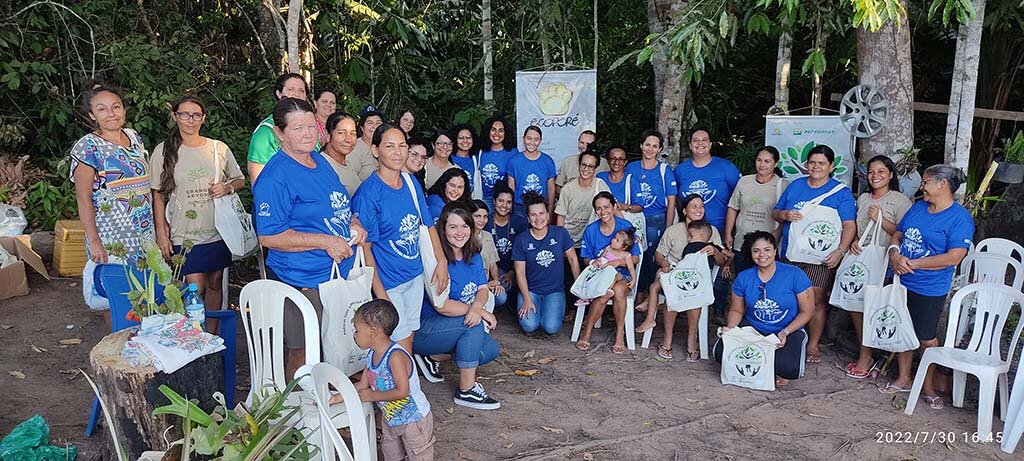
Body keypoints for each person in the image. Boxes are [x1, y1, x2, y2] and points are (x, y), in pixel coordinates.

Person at [253, 98, 366, 380]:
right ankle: (299, 414)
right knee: (303, 351)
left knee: (336, 343)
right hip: (302, 279)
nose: (307, 134)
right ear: (280, 133)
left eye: (310, 127)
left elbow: (336, 202)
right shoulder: (275, 177)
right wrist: (326, 241)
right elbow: (268, 236)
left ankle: (328, 404)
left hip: (335, 275)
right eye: (297, 128)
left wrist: (353, 222)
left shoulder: (319, 161)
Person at [878, 165, 973, 411]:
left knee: (926, 338)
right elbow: (899, 234)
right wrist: (895, 254)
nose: (922, 187)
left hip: (929, 287)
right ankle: (904, 378)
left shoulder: (959, 218)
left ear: (942, 184)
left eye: (926, 182)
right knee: (902, 329)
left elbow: (954, 257)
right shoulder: (918, 207)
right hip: (900, 279)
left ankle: (928, 385)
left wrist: (915, 263)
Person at [150, 95, 245, 332]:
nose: (190, 120)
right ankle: (193, 334)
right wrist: (162, 233)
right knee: (195, 286)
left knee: (215, 284)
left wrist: (227, 187)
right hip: (184, 233)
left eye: (195, 115)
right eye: (184, 114)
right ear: (175, 116)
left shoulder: (217, 148)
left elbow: (240, 179)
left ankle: (211, 335)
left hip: (217, 229)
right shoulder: (164, 151)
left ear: (203, 118)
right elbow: (158, 195)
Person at [353, 123, 449, 352]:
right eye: (389, 146)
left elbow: (427, 225)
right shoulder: (369, 194)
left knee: (408, 337)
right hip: (389, 282)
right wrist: (381, 295)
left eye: (402, 146)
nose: (397, 152)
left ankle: (401, 384)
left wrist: (442, 261)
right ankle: (405, 387)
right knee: (399, 342)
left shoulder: (410, 182)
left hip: (414, 275)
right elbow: (366, 249)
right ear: (375, 151)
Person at [70, 81, 155, 327]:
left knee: (145, 288)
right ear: (91, 115)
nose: (111, 114)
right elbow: (83, 198)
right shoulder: (87, 147)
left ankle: (142, 350)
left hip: (142, 230)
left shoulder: (134, 137)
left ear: (124, 110)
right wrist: (94, 241)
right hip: (111, 235)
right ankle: (119, 350)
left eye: (116, 107)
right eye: (102, 109)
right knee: (116, 295)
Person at [772, 144, 856, 364]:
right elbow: (776, 213)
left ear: (831, 166)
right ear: (806, 164)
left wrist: (840, 251)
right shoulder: (796, 186)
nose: (816, 167)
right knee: (787, 297)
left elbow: (849, 225)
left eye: (821, 163)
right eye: (812, 163)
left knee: (816, 300)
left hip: (821, 258)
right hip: (791, 253)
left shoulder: (841, 193)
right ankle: (787, 338)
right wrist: (785, 214)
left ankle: (812, 344)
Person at [412, 204, 501, 410]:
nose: (459, 232)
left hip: (454, 325)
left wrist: (478, 306)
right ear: (443, 230)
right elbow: (442, 306)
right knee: (474, 325)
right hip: (427, 328)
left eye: (464, 226)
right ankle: (466, 390)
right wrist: (479, 312)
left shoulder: (474, 254)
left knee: (489, 350)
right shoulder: (438, 260)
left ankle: (432, 357)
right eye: (453, 227)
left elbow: (482, 288)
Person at [714, 231, 815, 387]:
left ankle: (771, 365)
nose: (762, 255)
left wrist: (785, 332)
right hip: (754, 329)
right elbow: (736, 310)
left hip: (787, 330)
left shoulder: (795, 274)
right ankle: (765, 366)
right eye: (756, 250)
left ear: (775, 251)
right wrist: (732, 329)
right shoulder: (744, 278)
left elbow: (807, 311)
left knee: (790, 369)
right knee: (721, 352)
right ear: (751, 253)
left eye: (767, 249)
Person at [844, 154, 911, 379]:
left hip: (884, 263)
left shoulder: (900, 200)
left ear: (891, 174)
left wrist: (882, 218)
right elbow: (858, 228)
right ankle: (866, 352)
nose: (875, 176)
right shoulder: (863, 198)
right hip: (861, 261)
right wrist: (853, 242)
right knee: (855, 305)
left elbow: (905, 235)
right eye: (872, 172)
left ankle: (869, 355)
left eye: (881, 171)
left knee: (876, 309)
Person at [344, 299, 435, 460]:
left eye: (357, 330)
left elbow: (402, 391)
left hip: (414, 420)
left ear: (373, 331)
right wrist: (334, 398)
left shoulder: (396, 357)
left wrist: (371, 396)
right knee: (391, 455)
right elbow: (362, 385)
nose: (354, 335)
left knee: (419, 456)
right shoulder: (372, 354)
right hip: (391, 419)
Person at [644, 195, 728, 361]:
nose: (699, 209)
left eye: (701, 206)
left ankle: (692, 340)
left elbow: (722, 260)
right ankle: (667, 340)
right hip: (673, 273)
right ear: (684, 210)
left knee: (694, 295)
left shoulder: (710, 231)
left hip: (698, 279)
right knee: (671, 293)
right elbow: (659, 255)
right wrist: (664, 264)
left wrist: (715, 252)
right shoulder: (674, 230)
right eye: (694, 206)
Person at [576, 192, 641, 353]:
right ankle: (587, 331)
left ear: (613, 207)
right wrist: (594, 262)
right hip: (600, 275)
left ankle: (620, 333)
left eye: (606, 207)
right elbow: (585, 258)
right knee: (605, 290)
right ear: (595, 211)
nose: (603, 211)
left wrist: (617, 262)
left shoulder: (624, 227)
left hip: (623, 276)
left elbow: (635, 258)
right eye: (598, 208)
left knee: (618, 289)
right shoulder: (591, 231)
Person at [513, 192, 581, 335]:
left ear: (548, 215)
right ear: (528, 218)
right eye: (533, 215)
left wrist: (579, 287)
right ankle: (529, 306)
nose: (538, 218)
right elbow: (519, 272)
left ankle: (551, 308)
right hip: (531, 290)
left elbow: (573, 259)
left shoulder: (560, 233)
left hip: (554, 290)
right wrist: (526, 299)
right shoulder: (521, 240)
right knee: (529, 326)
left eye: (542, 213)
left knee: (551, 328)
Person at [625, 130, 677, 309]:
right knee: (635, 255)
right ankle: (636, 295)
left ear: (660, 149)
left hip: (656, 219)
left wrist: (668, 228)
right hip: (634, 218)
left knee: (653, 258)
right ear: (641, 145)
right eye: (647, 144)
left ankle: (652, 297)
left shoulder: (664, 170)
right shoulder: (631, 168)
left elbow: (671, 202)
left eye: (655, 146)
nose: (650, 149)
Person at [724, 146, 787, 275]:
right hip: (742, 242)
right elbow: (733, 207)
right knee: (743, 281)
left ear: (776, 163)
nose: (762, 165)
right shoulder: (744, 181)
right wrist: (728, 233)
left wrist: (776, 238)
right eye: (759, 160)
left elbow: (784, 217)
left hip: (767, 246)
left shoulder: (782, 185)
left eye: (767, 161)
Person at [673, 128, 740, 233]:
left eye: (704, 140)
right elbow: (676, 200)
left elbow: (738, 198)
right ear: (690, 145)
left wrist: (730, 231)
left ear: (710, 144)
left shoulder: (727, 168)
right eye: (696, 140)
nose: (700, 143)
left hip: (720, 231)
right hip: (690, 231)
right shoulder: (680, 170)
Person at [247, 73, 308, 183]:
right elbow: (258, 178)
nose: (297, 94)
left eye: (301, 91)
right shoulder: (266, 131)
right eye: (291, 89)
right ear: (279, 93)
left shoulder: (310, 129)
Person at [555, 149, 610, 245]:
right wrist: (562, 243)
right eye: (583, 165)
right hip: (570, 240)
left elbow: (612, 211)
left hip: (593, 240)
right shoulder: (567, 189)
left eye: (590, 166)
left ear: (595, 169)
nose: (586, 169)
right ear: (579, 165)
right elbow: (561, 218)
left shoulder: (600, 185)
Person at [507, 126, 557, 225]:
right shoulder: (514, 161)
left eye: (536, 139)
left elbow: (551, 189)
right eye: (529, 138)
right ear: (523, 138)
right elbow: (511, 188)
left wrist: (550, 212)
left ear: (540, 141)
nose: (532, 142)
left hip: (540, 208)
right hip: (520, 208)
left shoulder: (547, 161)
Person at [577, 229, 637, 307]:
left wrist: (634, 279)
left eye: (617, 240)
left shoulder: (626, 255)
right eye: (614, 237)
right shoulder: (608, 248)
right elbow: (602, 257)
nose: (613, 240)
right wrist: (599, 261)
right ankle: (586, 295)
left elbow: (631, 268)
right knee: (593, 276)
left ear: (624, 247)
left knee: (614, 276)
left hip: (619, 274)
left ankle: (607, 290)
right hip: (605, 271)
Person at [483, 182, 520, 308]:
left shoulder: (519, 222)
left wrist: (512, 272)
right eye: (501, 201)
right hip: (493, 268)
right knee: (500, 296)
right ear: (494, 201)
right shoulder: (486, 221)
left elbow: (525, 251)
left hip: (514, 268)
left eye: (508, 202)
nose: (504, 205)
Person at [469, 199, 507, 308]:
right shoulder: (463, 237)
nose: (482, 220)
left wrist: (495, 281)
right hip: (472, 284)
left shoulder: (487, 236)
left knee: (501, 296)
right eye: (477, 216)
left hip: (485, 282)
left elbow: (492, 264)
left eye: (485, 216)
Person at [478, 116, 517, 212]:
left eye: (501, 130)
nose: (497, 134)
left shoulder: (512, 153)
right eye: (493, 130)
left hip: (503, 201)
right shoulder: (480, 152)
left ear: (506, 133)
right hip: (483, 198)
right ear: (488, 131)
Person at [321, 112, 363, 194]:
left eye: (353, 134)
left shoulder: (349, 164)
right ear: (328, 134)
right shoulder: (322, 166)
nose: (348, 139)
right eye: (341, 133)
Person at [595, 145, 644, 214]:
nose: (617, 162)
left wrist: (626, 207)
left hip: (623, 221)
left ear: (625, 161)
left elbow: (640, 207)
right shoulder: (600, 177)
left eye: (621, 159)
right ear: (608, 160)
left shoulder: (631, 180)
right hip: (602, 219)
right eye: (613, 158)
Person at [348, 104, 387, 180]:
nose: (375, 126)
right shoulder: (355, 148)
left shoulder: (385, 147)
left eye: (378, 123)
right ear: (362, 127)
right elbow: (350, 179)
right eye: (370, 123)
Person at [450, 124, 480, 194]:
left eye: (468, 137)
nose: (465, 141)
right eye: (461, 138)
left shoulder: (476, 158)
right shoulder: (449, 158)